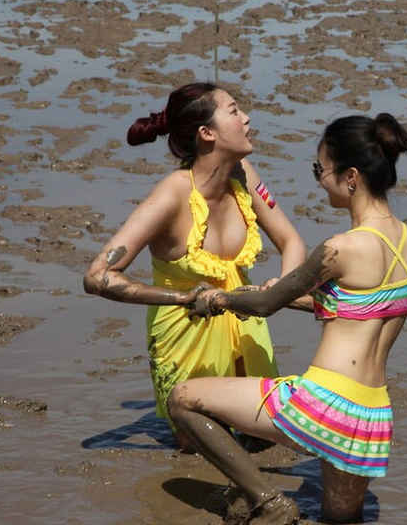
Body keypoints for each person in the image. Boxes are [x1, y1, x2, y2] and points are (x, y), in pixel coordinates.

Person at [168, 113, 407, 523]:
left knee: (183, 400)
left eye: (321, 170)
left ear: (351, 177)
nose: (319, 181)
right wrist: (291, 297)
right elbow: (359, 308)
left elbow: (264, 306)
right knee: (342, 520)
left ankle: (268, 501)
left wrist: (218, 299)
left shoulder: (339, 249)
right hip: (371, 417)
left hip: (322, 404)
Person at [83, 82, 306, 447]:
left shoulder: (244, 175)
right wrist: (182, 298)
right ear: (207, 133)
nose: (246, 118)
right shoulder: (173, 193)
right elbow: (98, 276)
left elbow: (291, 241)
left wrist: (280, 289)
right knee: (203, 445)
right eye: (234, 111)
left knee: (271, 437)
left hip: (247, 329)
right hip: (185, 337)